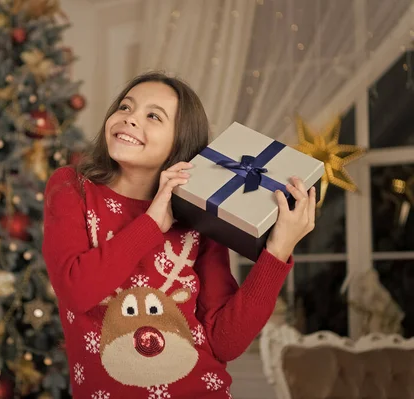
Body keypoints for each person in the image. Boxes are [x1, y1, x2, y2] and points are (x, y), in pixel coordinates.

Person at [42, 71, 315, 398]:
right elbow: (76, 289)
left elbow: (225, 342)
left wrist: (278, 251)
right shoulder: (73, 187)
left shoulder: (199, 214)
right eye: (126, 107)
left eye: (152, 115)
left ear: (179, 143)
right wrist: (152, 224)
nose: (129, 119)